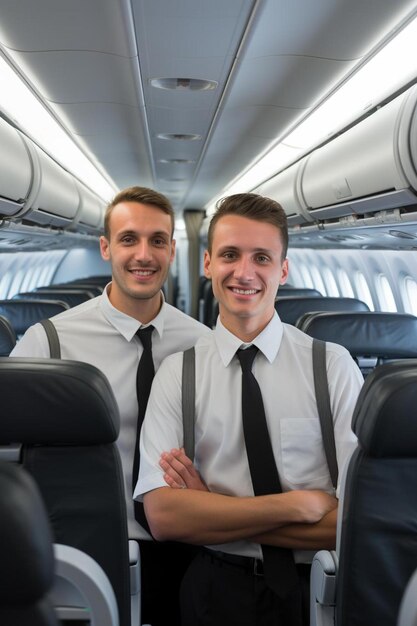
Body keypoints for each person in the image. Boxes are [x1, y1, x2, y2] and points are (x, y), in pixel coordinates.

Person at [134, 192, 364, 626]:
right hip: (215, 588)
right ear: (207, 264)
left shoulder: (332, 366)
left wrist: (209, 508)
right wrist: (298, 505)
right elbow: (164, 517)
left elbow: (357, 518)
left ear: (283, 268)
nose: (244, 272)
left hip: (319, 584)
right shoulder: (177, 373)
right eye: (230, 255)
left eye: (261, 257)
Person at [10, 186, 210, 626]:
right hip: (75, 550)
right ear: (105, 247)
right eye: (128, 239)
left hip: (181, 549)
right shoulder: (50, 342)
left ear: (173, 250)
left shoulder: (204, 343)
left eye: (157, 240)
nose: (144, 254)